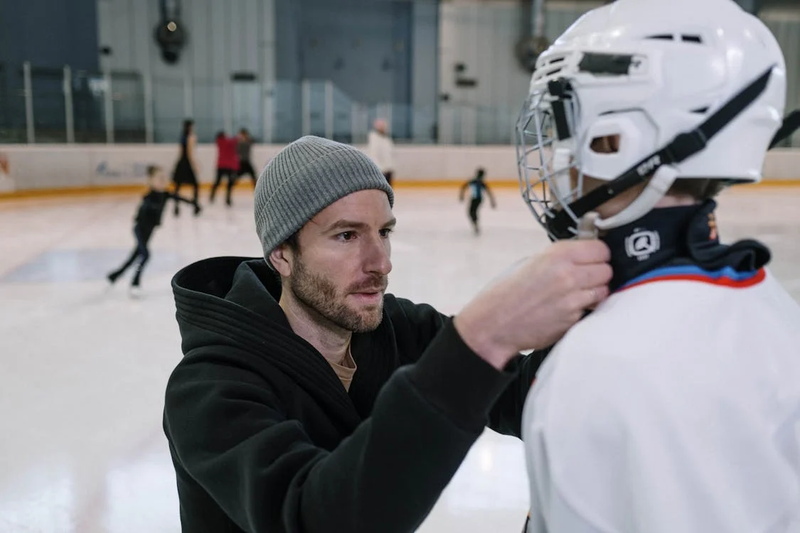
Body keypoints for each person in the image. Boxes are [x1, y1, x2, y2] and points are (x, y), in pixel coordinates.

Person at [163, 136, 613, 533]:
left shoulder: (397, 330)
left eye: (384, 232)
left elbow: (524, 394)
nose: (380, 262)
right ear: (281, 255)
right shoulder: (210, 388)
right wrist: (482, 337)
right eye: (346, 236)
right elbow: (314, 518)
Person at [516, 0, 800, 531]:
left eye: (565, 125)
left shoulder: (598, 363)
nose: (556, 153)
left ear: (621, 138)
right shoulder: (777, 314)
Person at [107, 165, 198, 297]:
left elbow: (179, 198)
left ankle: (115, 275)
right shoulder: (149, 197)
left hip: (149, 231)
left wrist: (194, 203)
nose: (162, 180)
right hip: (140, 230)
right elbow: (143, 211)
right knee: (145, 255)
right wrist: (150, 209)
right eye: (159, 178)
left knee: (135, 256)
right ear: (150, 181)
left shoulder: (165, 194)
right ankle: (135, 281)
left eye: (164, 177)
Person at [171, 119, 202, 217]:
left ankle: (176, 207)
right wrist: (195, 165)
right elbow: (190, 153)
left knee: (178, 186)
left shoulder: (182, 136)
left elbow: (181, 152)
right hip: (187, 163)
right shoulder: (191, 137)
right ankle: (195, 206)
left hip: (181, 162)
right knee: (195, 185)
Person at [459, 167, 496, 235]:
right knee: (473, 212)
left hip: (475, 199)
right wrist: (492, 201)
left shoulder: (473, 181)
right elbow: (489, 192)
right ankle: (476, 224)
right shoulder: (481, 182)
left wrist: (461, 196)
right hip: (478, 199)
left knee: (471, 212)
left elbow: (463, 187)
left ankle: (476, 224)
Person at [209, 131, 240, 207]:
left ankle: (212, 196)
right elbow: (234, 141)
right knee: (229, 184)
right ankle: (228, 199)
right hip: (229, 166)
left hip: (221, 165)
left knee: (217, 182)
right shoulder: (227, 142)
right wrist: (238, 137)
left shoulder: (219, 142)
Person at [366, 118, 394, 186]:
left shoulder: (386, 138)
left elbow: (390, 153)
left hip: (388, 168)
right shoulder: (374, 139)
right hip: (381, 170)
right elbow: (373, 154)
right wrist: (379, 168)